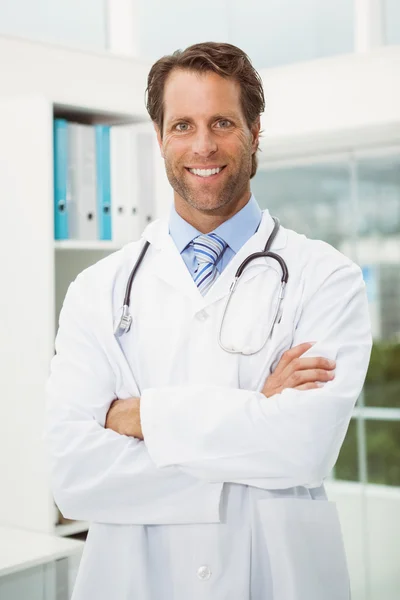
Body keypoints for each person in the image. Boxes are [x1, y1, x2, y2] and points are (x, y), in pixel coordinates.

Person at [45, 42, 372, 600]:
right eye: (182, 125)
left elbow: (301, 449)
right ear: (159, 136)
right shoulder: (97, 290)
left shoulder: (327, 278)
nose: (202, 145)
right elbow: (73, 478)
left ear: (255, 131)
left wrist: (139, 415)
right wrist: (255, 422)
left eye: (222, 122)